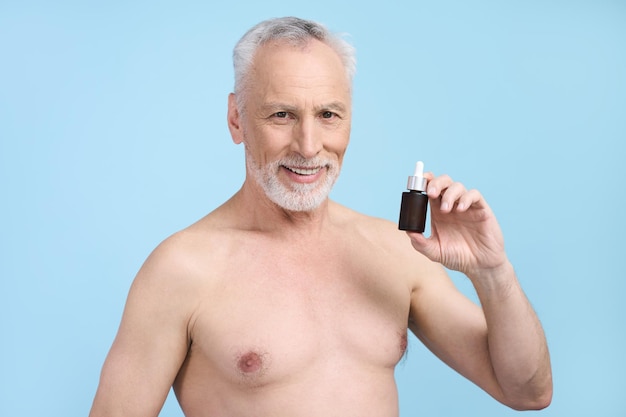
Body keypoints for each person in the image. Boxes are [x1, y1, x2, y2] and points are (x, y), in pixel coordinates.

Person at [89, 16, 552, 417]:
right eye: (282, 114)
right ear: (236, 119)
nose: (309, 146)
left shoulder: (395, 249)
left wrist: (492, 272)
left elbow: (528, 392)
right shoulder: (182, 269)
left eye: (328, 114)